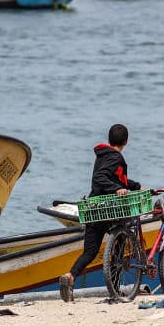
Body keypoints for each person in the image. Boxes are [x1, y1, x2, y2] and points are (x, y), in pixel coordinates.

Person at [59, 123, 141, 303]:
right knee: (119, 248)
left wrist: (134, 186)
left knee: (89, 252)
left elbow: (115, 178)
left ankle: (70, 276)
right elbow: (101, 178)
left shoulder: (103, 155)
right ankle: (115, 290)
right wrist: (116, 190)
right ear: (126, 141)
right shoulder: (116, 157)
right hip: (110, 209)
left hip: (94, 208)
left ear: (109, 139)